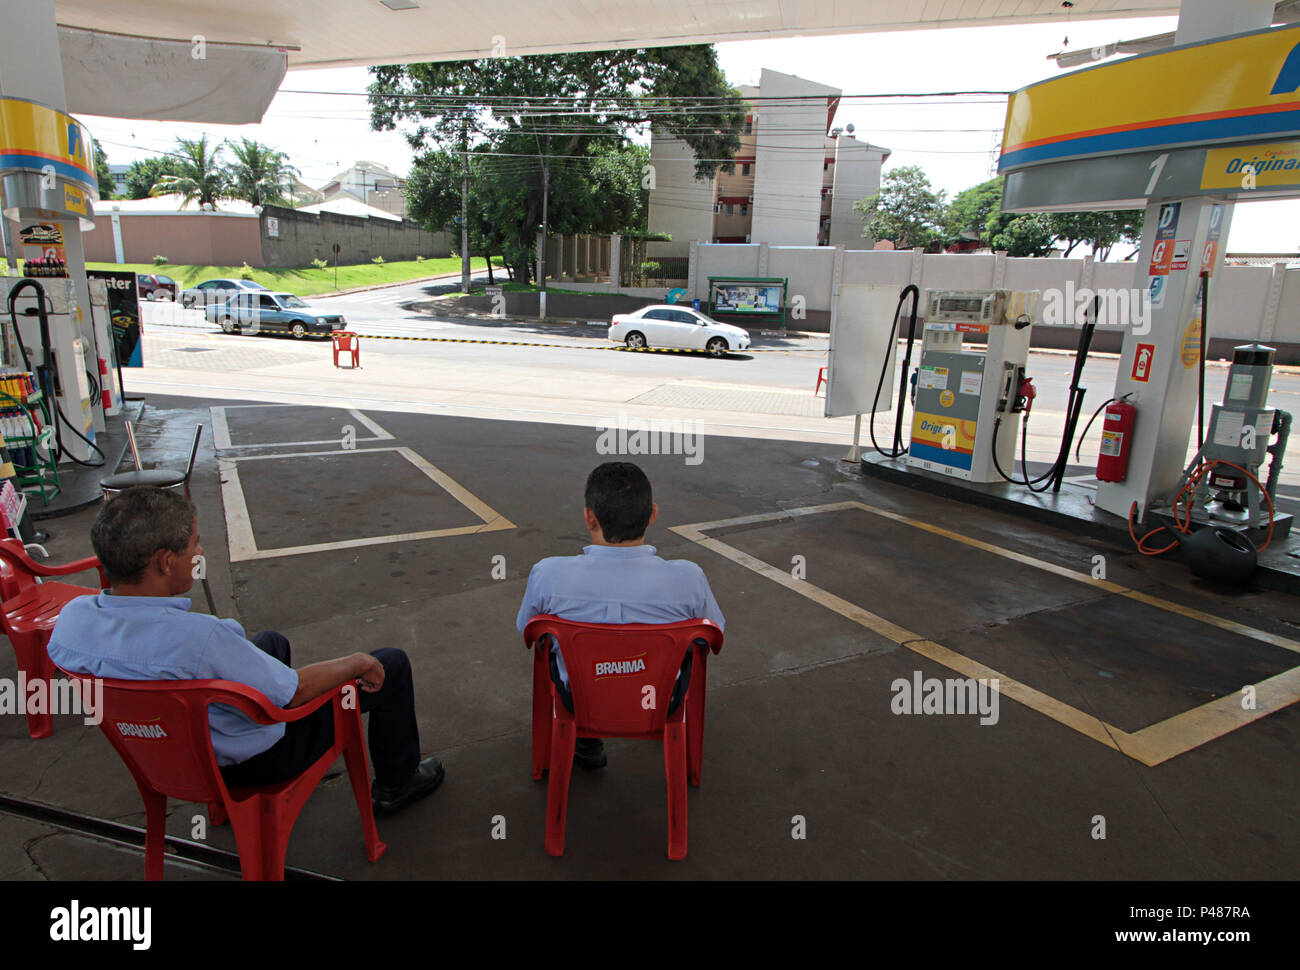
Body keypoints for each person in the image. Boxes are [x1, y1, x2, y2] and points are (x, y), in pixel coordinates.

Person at [48, 486, 443, 817]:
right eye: (194, 544)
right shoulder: (199, 639)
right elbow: (293, 691)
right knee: (390, 663)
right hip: (251, 764)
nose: (200, 551)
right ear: (165, 562)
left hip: (165, 756)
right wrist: (357, 662)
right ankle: (396, 784)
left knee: (271, 641)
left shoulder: (70, 623)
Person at [516, 461, 725, 769]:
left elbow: (527, 631)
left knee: (558, 655)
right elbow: (713, 638)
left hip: (579, 699)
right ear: (652, 514)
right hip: (660, 701)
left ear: (590, 517)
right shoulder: (689, 578)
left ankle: (585, 742)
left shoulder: (548, 574)